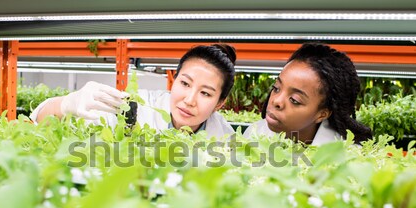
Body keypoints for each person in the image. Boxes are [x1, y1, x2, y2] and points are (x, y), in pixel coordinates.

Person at [31, 44, 237, 139]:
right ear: (174, 80)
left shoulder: (223, 136)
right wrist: (66, 104)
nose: (190, 100)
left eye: (206, 94)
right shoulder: (138, 107)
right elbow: (40, 120)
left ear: (220, 103)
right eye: (185, 84)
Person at [244, 43, 372, 145]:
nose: (276, 101)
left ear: (322, 114)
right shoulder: (253, 134)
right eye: (276, 88)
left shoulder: (348, 159)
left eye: (294, 100)